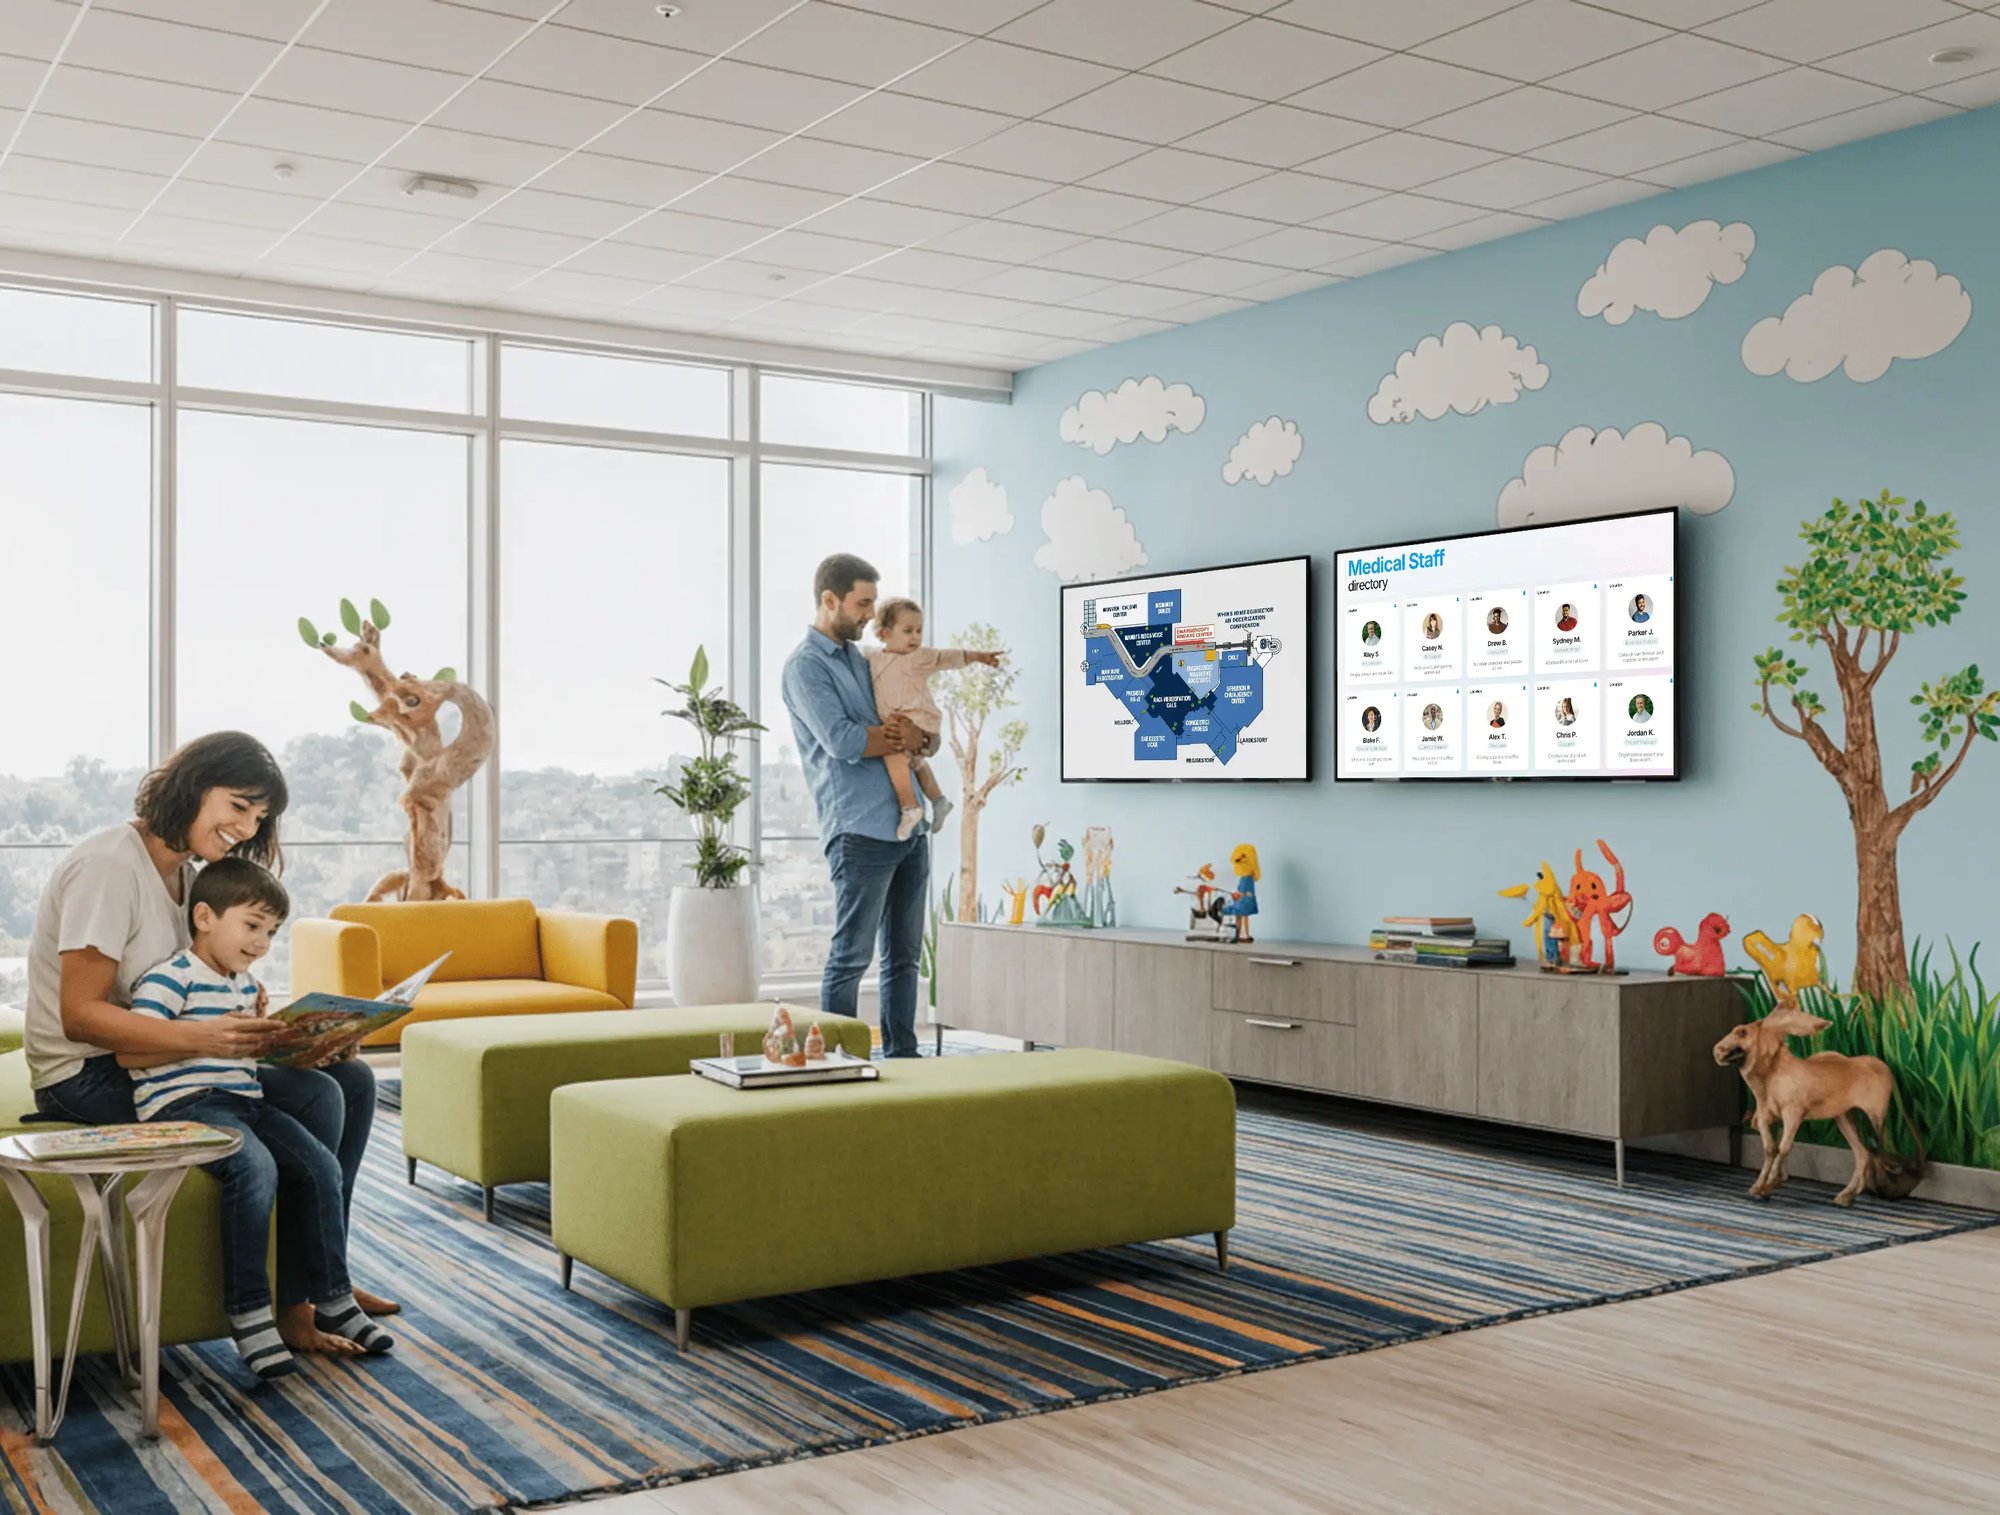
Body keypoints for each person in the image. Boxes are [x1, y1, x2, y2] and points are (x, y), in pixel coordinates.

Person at [24, 731, 398, 1350]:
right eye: (239, 806)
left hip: (163, 1055)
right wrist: (209, 1036)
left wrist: (293, 1034)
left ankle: (320, 1275)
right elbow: (80, 1016)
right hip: (87, 1074)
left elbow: (194, 983)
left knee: (350, 1079)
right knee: (319, 1097)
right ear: (193, 787)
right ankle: (294, 1302)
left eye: (259, 816)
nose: (247, 828)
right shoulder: (110, 866)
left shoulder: (189, 877)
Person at [121, 860, 392, 1378]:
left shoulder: (244, 985)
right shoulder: (170, 978)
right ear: (204, 917)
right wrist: (207, 1042)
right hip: (188, 1105)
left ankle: (333, 1298)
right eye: (252, 926)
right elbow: (131, 1051)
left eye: (271, 932)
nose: (262, 942)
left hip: (244, 1099)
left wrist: (300, 1041)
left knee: (320, 1166)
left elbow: (245, 1056)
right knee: (256, 1167)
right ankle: (250, 1314)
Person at [781, 555, 937, 1059]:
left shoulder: (864, 659)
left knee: (904, 959)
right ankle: (837, 1062)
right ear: (830, 600)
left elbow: (917, 731)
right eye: (863, 603)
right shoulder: (805, 667)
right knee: (851, 958)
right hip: (859, 830)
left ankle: (904, 1058)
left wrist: (921, 737)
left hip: (909, 829)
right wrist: (906, 736)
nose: (872, 614)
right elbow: (844, 741)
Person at [865, 597, 1002, 842]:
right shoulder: (874, 657)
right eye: (908, 631)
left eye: (919, 631)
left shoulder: (918, 657)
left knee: (893, 754)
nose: (915, 637)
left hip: (919, 721)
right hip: (906, 723)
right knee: (917, 763)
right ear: (884, 633)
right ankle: (939, 800)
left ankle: (910, 807)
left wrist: (977, 656)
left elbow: (945, 657)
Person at [1217, 844, 1260, 944]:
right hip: (1244, 900)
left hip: (1243, 901)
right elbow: (1245, 891)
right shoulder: (1247, 877)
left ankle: (1243, 935)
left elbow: (1244, 891)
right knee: (1240, 916)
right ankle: (1240, 934)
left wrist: (1238, 894)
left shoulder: (1246, 877)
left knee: (1241, 916)